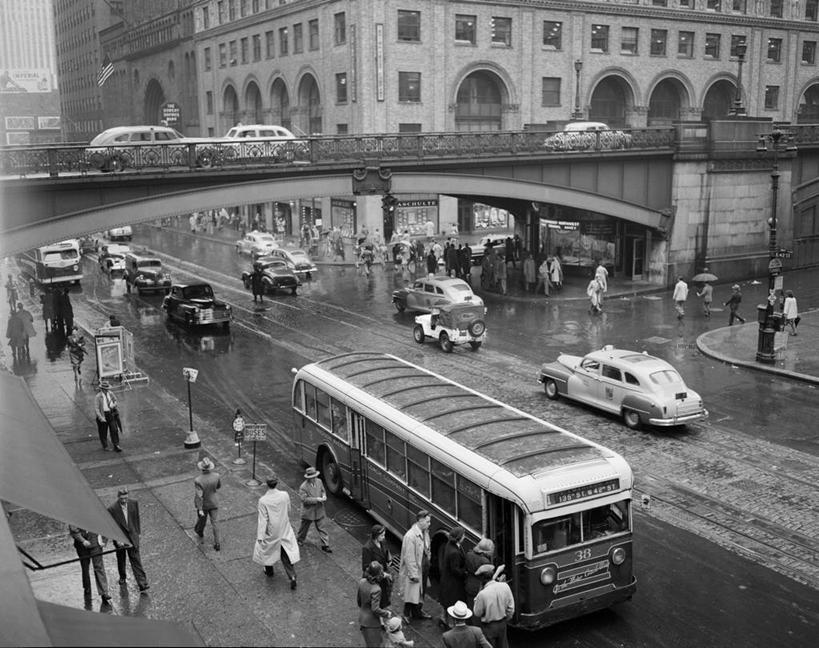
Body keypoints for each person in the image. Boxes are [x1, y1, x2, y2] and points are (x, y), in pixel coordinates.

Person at [252, 474, 299, 589]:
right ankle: (292, 576)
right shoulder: (284, 495)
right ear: (277, 483)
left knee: (268, 552)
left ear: (266, 484)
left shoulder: (263, 501)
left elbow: (263, 520)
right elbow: (288, 509)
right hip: (284, 527)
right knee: (285, 553)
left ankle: (269, 571)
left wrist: (260, 536)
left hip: (272, 531)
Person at [108, 488, 149, 593]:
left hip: (133, 537)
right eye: (122, 498)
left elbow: (136, 519)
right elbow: (112, 526)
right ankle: (122, 576)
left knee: (136, 560)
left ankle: (143, 583)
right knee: (121, 559)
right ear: (118, 497)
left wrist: (137, 534)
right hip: (120, 538)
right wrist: (117, 540)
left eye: (126, 498)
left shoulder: (134, 503)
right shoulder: (112, 509)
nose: (124, 500)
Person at [398, 509, 432, 624]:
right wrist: (413, 574)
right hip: (416, 570)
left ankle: (417, 611)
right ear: (420, 521)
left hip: (423, 567)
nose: (429, 524)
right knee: (411, 593)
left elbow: (427, 548)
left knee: (421, 592)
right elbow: (409, 557)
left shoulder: (425, 532)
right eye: (427, 521)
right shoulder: (410, 536)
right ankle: (406, 613)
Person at [472, 565, 515, 648]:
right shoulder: (505, 586)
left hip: (488, 627)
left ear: (481, 579)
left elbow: (477, 613)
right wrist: (506, 619)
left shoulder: (482, 594)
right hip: (502, 623)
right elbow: (511, 608)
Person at [68, 525, 111, 604]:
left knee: (99, 567)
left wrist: (104, 540)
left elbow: (105, 523)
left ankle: (104, 592)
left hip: (96, 542)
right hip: (81, 545)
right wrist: (82, 540)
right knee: (85, 568)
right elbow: (73, 530)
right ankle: (87, 588)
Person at [296, 466, 332, 552]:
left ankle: (325, 545)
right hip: (309, 511)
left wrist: (324, 495)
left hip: (319, 509)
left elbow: (323, 490)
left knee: (322, 528)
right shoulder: (303, 487)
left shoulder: (319, 481)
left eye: (315, 477)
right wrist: (317, 499)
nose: (314, 478)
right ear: (308, 478)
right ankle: (300, 539)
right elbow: (304, 500)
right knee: (304, 528)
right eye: (312, 477)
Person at [438, 525, 468, 630]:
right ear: (459, 538)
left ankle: (443, 619)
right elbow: (456, 570)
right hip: (453, 584)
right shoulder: (455, 552)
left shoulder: (449, 545)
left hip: (447, 581)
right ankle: (451, 626)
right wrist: (465, 572)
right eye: (463, 535)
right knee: (452, 603)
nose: (464, 537)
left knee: (446, 602)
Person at [357, 561, 392, 648]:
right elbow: (375, 609)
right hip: (372, 623)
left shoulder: (362, 582)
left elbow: (359, 601)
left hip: (362, 618)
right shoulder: (376, 589)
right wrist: (386, 613)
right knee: (375, 644)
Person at [194, 456, 222, 551]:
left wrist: (200, 508)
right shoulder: (216, 476)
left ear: (201, 468)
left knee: (202, 520)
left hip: (204, 505)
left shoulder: (198, 480)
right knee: (215, 523)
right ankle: (217, 543)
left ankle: (199, 531)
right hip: (214, 502)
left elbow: (199, 496)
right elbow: (218, 486)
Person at [361, 524, 393, 607]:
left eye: (384, 535)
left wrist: (389, 559)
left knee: (385, 597)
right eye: (382, 535)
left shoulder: (383, 542)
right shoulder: (367, 548)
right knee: (376, 600)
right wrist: (381, 574)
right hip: (375, 579)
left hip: (383, 575)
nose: (383, 537)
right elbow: (366, 567)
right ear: (376, 536)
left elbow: (386, 551)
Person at [464, 538, 494, 611]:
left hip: (469, 584)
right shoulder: (485, 561)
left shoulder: (469, 554)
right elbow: (488, 577)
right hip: (479, 588)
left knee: (470, 607)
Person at [95, 380, 122, 452]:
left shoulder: (110, 393)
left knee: (114, 429)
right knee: (103, 432)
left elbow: (115, 400)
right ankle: (105, 446)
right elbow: (96, 409)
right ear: (102, 389)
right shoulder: (98, 397)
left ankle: (116, 445)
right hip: (103, 415)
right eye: (105, 389)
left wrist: (114, 404)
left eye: (107, 389)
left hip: (111, 414)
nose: (107, 390)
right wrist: (101, 418)